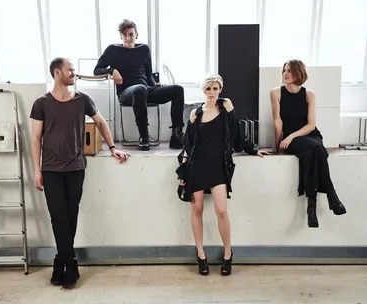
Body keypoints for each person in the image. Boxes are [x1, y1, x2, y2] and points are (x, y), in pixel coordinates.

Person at [30, 57, 129, 288]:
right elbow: (35, 138)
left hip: (76, 168)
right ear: (57, 73)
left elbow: (101, 122)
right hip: (51, 169)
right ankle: (69, 262)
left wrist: (112, 147)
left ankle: (61, 262)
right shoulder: (41, 103)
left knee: (71, 215)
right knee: (58, 217)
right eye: (70, 70)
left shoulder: (82, 99)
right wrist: (36, 170)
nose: (74, 73)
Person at [176, 74, 269, 276]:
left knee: (221, 211)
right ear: (203, 90)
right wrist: (183, 170)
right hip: (197, 167)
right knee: (197, 210)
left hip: (218, 167)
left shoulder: (226, 106)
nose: (212, 92)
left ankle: (228, 254)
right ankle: (200, 254)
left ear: (221, 90)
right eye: (208, 89)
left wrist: (252, 149)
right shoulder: (195, 113)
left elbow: (237, 132)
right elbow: (188, 147)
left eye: (215, 89)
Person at [270, 59, 346, 228]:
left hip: (309, 135)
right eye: (284, 70)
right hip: (292, 138)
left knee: (316, 149)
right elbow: (278, 122)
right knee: (318, 150)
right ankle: (331, 197)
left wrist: (291, 137)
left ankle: (312, 207)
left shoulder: (309, 94)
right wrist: (277, 145)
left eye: (289, 70)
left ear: (299, 73)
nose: (285, 73)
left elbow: (311, 125)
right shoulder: (276, 92)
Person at [93, 19, 185, 151]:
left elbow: (148, 74)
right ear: (120, 36)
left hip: (146, 89)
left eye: (130, 34)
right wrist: (112, 70)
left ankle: (177, 136)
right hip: (126, 93)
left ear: (137, 34)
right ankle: (144, 136)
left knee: (177, 89)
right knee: (139, 89)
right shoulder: (113, 49)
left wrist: (155, 85)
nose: (128, 37)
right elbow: (96, 70)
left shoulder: (144, 49)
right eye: (124, 34)